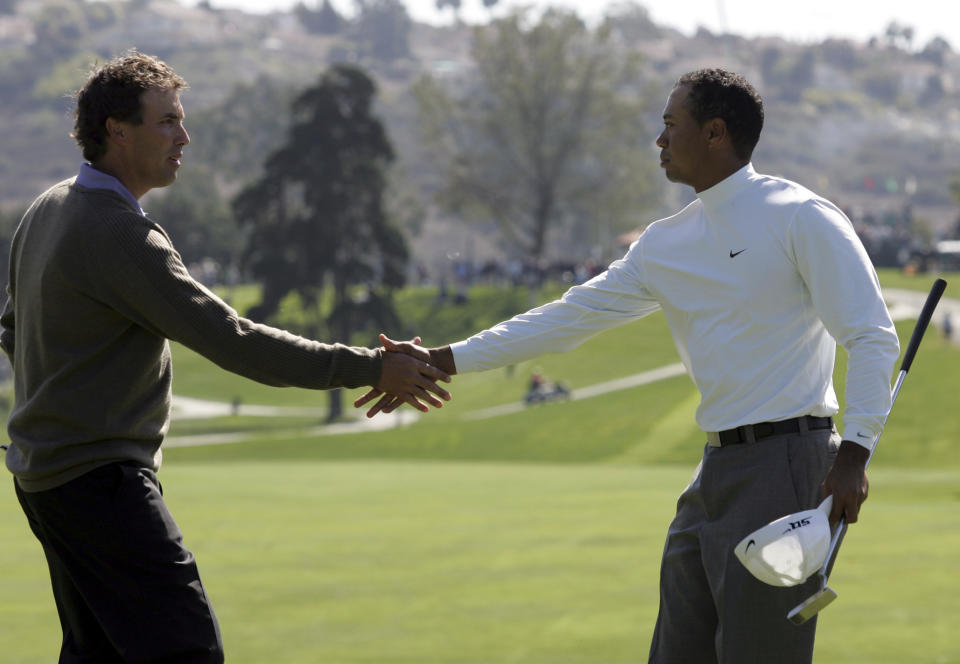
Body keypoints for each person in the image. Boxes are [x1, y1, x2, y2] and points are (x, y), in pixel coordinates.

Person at [356, 69, 900, 663]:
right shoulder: (665, 243)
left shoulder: (801, 216)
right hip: (715, 469)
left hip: (791, 467)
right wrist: (441, 360)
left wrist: (856, 453)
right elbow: (564, 319)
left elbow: (872, 336)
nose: (660, 140)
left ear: (715, 132)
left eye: (672, 125)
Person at [1, 51, 451, 663]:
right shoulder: (119, 233)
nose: (184, 137)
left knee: (97, 655)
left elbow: (10, 327)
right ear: (117, 129)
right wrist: (372, 367)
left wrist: (57, 398)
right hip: (99, 483)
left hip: (46, 478)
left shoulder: (48, 207)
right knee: (189, 653)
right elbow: (232, 339)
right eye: (167, 122)